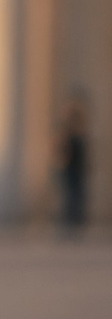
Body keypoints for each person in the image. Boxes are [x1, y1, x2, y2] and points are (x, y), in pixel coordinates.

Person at [58, 92, 90, 236]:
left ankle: (75, 222)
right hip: (71, 167)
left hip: (76, 166)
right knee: (72, 195)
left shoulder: (76, 129)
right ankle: (72, 221)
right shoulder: (69, 130)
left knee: (76, 195)